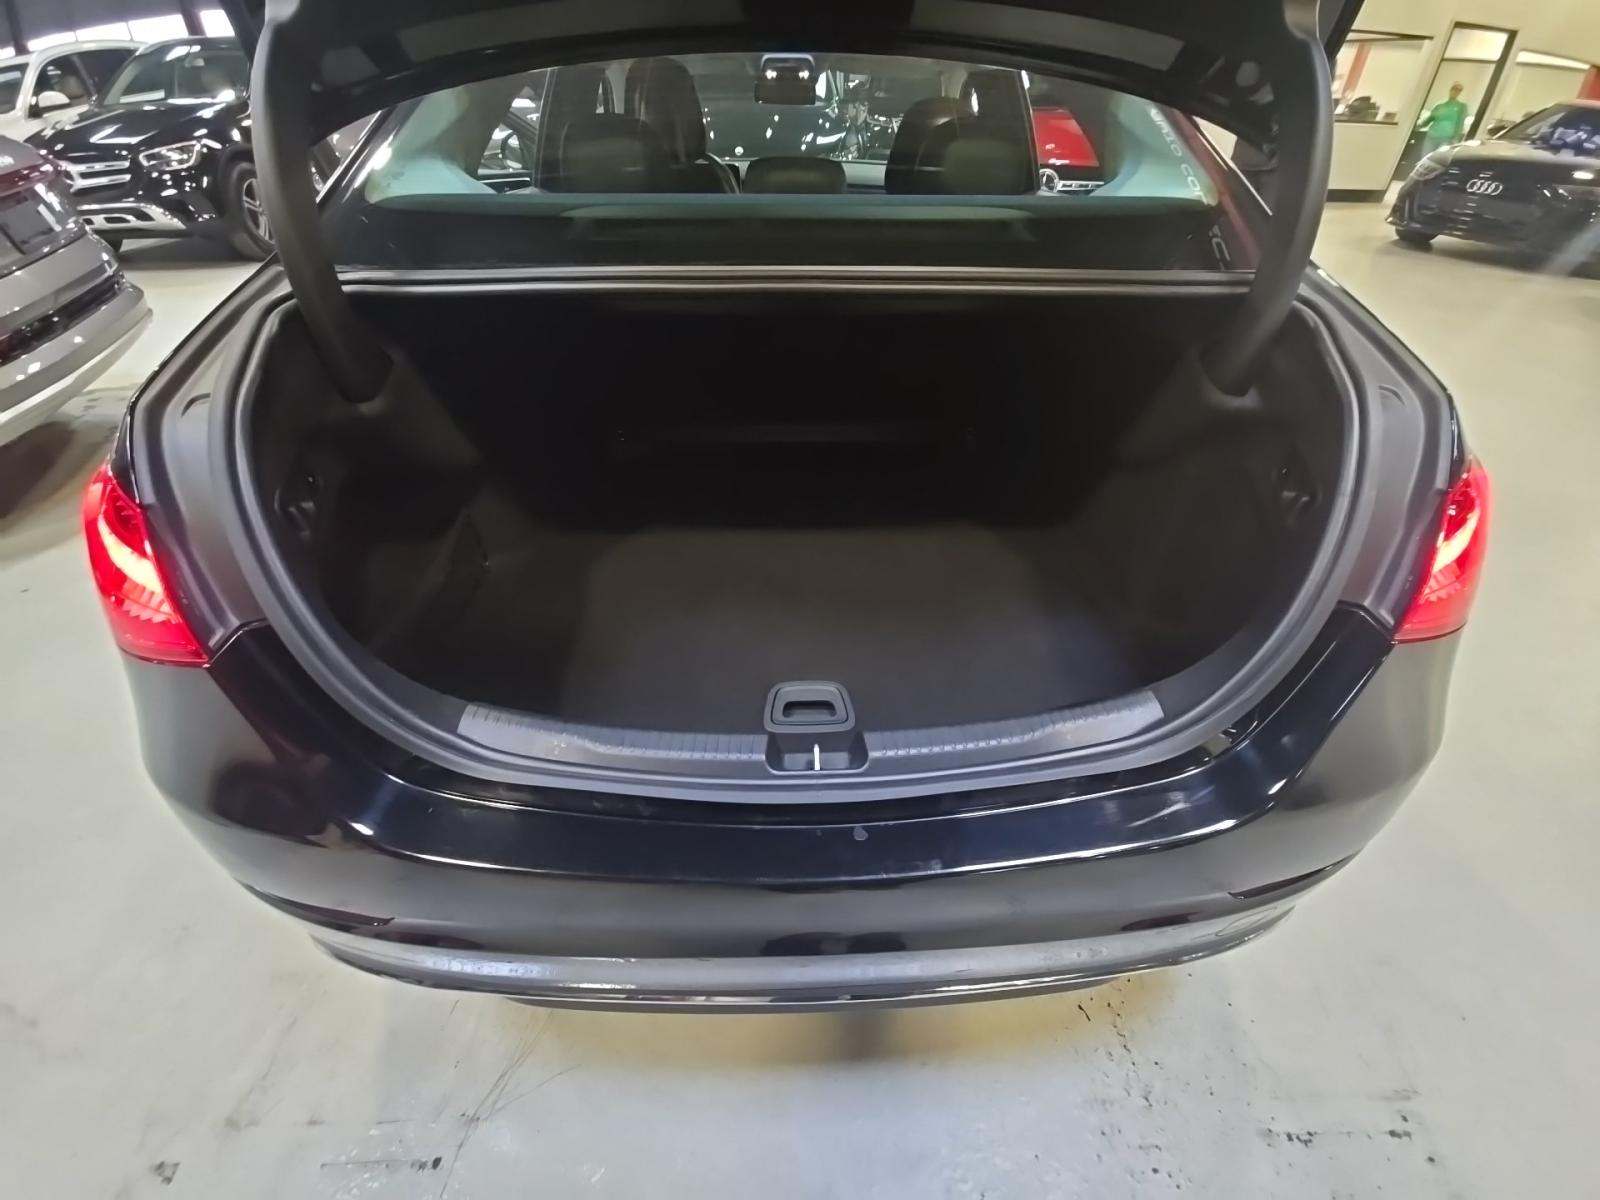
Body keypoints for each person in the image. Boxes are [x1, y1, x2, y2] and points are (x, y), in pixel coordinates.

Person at [1418, 83, 1470, 155]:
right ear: (1450, 90)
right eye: (1454, 89)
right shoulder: (1439, 106)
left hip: (1447, 139)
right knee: (1425, 157)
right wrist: (1417, 126)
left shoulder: (1462, 106)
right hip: (1431, 136)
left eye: (1459, 90)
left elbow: (1460, 123)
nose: (1456, 91)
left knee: (1439, 158)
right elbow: (1429, 119)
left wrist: (1456, 138)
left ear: (1460, 93)